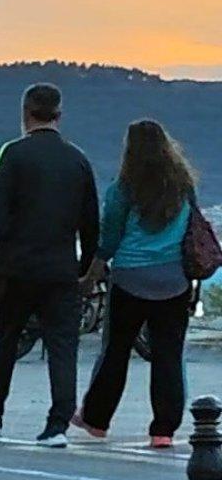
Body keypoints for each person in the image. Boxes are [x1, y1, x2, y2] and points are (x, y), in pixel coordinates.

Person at [0, 83, 100, 448]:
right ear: (59, 114)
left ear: (25, 113)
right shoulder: (78, 160)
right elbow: (91, 221)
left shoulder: (11, 154)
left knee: (5, 339)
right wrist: (85, 267)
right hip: (60, 269)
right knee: (62, 346)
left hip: (16, 267)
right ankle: (56, 426)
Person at [71, 120, 197, 448]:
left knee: (115, 350)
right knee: (169, 355)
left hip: (130, 278)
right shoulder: (183, 185)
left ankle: (96, 420)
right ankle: (164, 430)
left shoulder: (123, 188)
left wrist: (91, 274)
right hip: (173, 280)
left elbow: (109, 237)